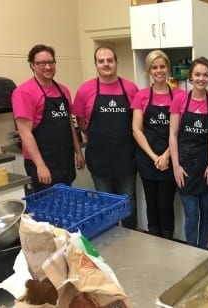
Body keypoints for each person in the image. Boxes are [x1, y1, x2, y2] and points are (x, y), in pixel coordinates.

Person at [72, 46, 139, 229]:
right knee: (103, 200)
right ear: (95, 64)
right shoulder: (85, 90)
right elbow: (81, 122)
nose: (106, 64)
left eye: (110, 60)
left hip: (126, 156)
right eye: (101, 61)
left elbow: (137, 122)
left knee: (128, 199)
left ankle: (131, 236)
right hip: (99, 157)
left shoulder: (131, 88)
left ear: (116, 62)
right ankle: (110, 237)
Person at [12, 44, 84, 193]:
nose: (47, 67)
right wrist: (40, 165)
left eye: (51, 62)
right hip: (42, 162)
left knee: (66, 203)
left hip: (64, 159)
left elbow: (69, 123)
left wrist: (78, 152)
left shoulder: (63, 90)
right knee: (47, 208)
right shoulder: (24, 92)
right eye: (41, 63)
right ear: (32, 65)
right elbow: (25, 132)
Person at [132, 50, 183, 239]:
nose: (159, 70)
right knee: (151, 203)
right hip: (148, 160)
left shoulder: (179, 96)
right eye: (154, 67)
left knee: (165, 203)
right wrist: (155, 157)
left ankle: (167, 242)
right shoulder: (142, 96)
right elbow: (137, 130)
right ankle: (154, 242)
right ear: (148, 71)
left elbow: (180, 131)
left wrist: (166, 156)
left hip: (170, 160)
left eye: (162, 66)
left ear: (168, 68)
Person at [169, 57, 208, 249]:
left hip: (206, 167)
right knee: (191, 214)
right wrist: (176, 167)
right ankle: (191, 252)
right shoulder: (180, 99)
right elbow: (173, 135)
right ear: (190, 77)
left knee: (207, 211)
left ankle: (202, 250)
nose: (201, 78)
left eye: (205, 75)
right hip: (185, 167)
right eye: (197, 74)